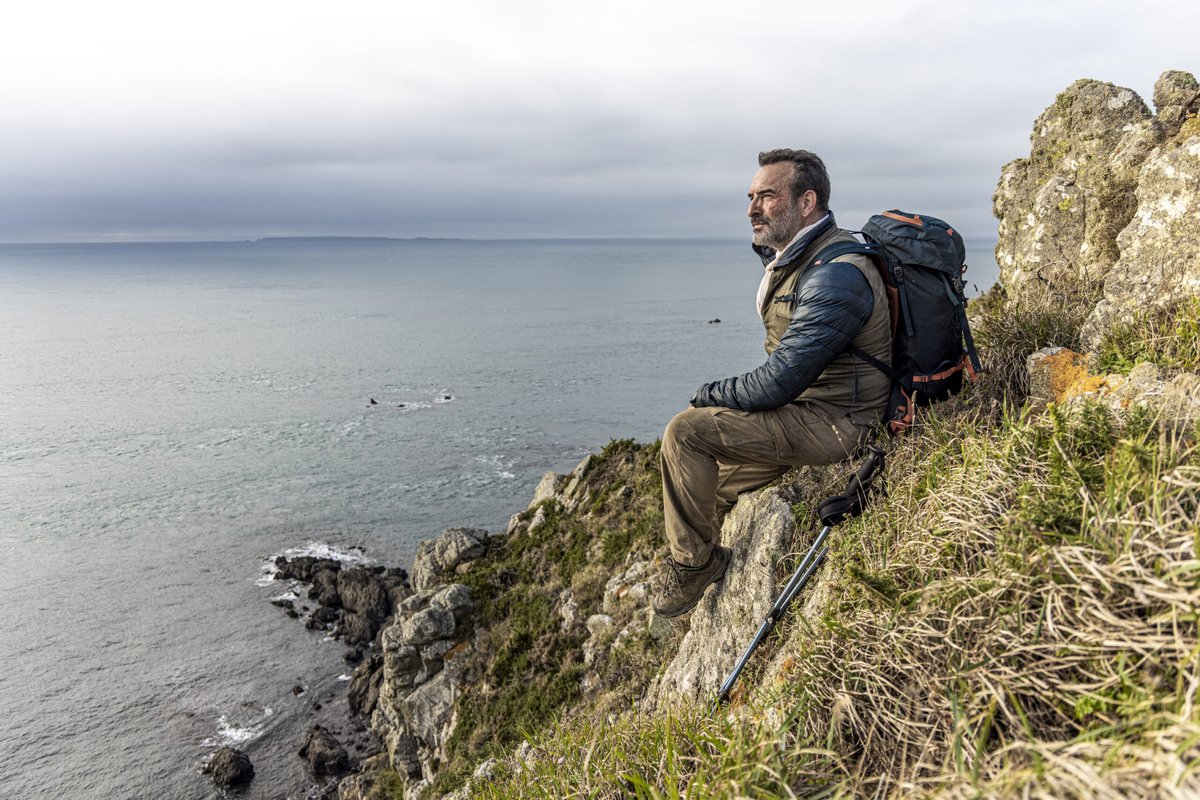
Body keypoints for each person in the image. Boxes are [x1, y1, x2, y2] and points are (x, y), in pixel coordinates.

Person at [652, 149, 893, 618]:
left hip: (839, 421)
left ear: (807, 202)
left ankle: (693, 566)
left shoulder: (836, 274)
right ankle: (710, 577)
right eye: (750, 197)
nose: (751, 209)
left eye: (766, 196)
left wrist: (708, 395)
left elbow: (779, 382)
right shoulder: (799, 257)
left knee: (685, 433)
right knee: (705, 490)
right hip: (809, 408)